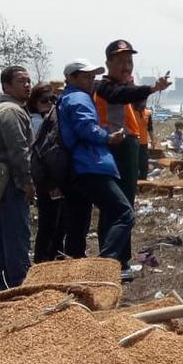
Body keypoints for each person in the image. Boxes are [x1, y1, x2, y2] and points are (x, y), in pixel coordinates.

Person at [57, 58, 136, 281]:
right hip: (90, 164)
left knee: (78, 222)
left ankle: (75, 273)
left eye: (93, 77)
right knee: (124, 213)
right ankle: (104, 266)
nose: (91, 81)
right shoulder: (79, 99)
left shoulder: (67, 98)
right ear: (71, 78)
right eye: (85, 76)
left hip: (76, 167)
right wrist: (108, 137)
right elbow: (86, 128)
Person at [95, 40, 170, 207]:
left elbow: (137, 103)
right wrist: (151, 88)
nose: (126, 66)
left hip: (129, 146)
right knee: (120, 206)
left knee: (126, 200)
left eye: (129, 61)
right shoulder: (105, 87)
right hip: (118, 146)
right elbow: (119, 95)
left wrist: (137, 88)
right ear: (108, 63)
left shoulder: (125, 86)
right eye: (120, 61)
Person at [0, 66, 34, 290]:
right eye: (22, 81)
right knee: (16, 235)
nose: (28, 85)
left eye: (29, 81)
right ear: (7, 86)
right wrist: (28, 181)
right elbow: (18, 150)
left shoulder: (6, 108)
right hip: (10, 183)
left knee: (1, 236)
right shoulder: (11, 111)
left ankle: (3, 287)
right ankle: (18, 286)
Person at [28, 83, 67, 263]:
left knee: (58, 223)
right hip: (47, 180)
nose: (49, 103)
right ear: (34, 102)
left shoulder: (49, 118)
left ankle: (53, 258)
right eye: (44, 100)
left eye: (53, 100)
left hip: (52, 179)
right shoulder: (38, 122)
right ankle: (44, 261)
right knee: (49, 224)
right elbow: (45, 154)